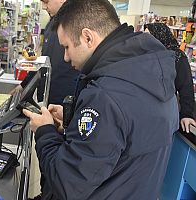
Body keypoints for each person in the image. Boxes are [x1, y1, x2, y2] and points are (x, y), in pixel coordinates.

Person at [23, 0, 179, 199]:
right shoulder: (154, 73)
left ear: (88, 37)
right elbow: (123, 139)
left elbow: (67, 184)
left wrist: (45, 131)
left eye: (67, 47)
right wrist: (75, 122)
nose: (65, 57)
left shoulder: (105, 95)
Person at [12, 0, 79, 105]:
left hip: (65, 103)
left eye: (46, 2)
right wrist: (23, 85)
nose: (43, 7)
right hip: (45, 100)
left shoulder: (79, 24)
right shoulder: (51, 25)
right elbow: (43, 61)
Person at [144, 23, 196, 133]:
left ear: (160, 36)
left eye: (149, 36)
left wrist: (187, 114)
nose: (144, 40)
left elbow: (186, 87)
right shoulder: (145, 56)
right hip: (145, 112)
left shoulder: (177, 57)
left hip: (165, 114)